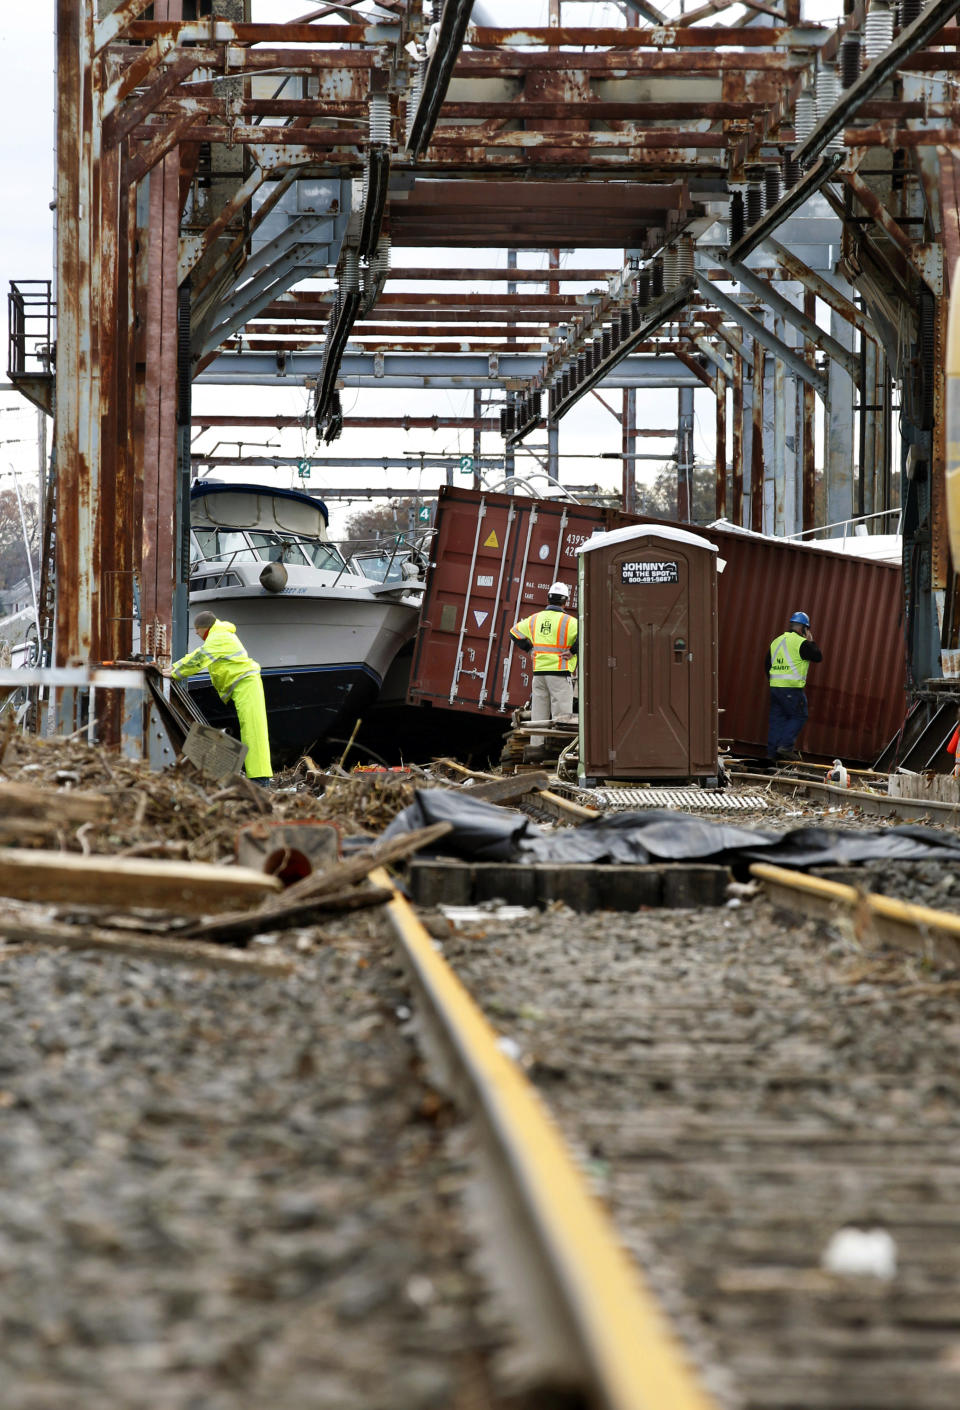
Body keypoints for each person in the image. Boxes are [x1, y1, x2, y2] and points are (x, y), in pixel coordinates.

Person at [170, 612, 272, 785]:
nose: (196, 633)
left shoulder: (219, 636)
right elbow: (196, 654)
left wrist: (173, 673)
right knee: (251, 730)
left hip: (247, 684)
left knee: (253, 731)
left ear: (205, 628)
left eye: (197, 629)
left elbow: (199, 659)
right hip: (243, 685)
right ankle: (257, 778)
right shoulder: (217, 636)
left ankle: (260, 780)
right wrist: (173, 668)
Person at [509, 581, 578, 762]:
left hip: (539, 674)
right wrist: (572, 651)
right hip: (559, 672)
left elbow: (514, 632)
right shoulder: (570, 622)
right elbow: (587, 634)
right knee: (561, 716)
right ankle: (559, 754)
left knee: (539, 715)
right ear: (565, 601)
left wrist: (530, 649)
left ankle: (535, 752)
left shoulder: (534, 619)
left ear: (548, 598)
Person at [765, 610, 822, 764]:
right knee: (799, 715)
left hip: (775, 687)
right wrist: (811, 641)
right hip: (791, 688)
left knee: (777, 719)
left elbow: (767, 665)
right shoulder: (801, 643)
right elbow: (818, 656)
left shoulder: (776, 641)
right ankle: (785, 747)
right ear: (803, 629)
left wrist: (775, 681)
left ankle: (772, 754)